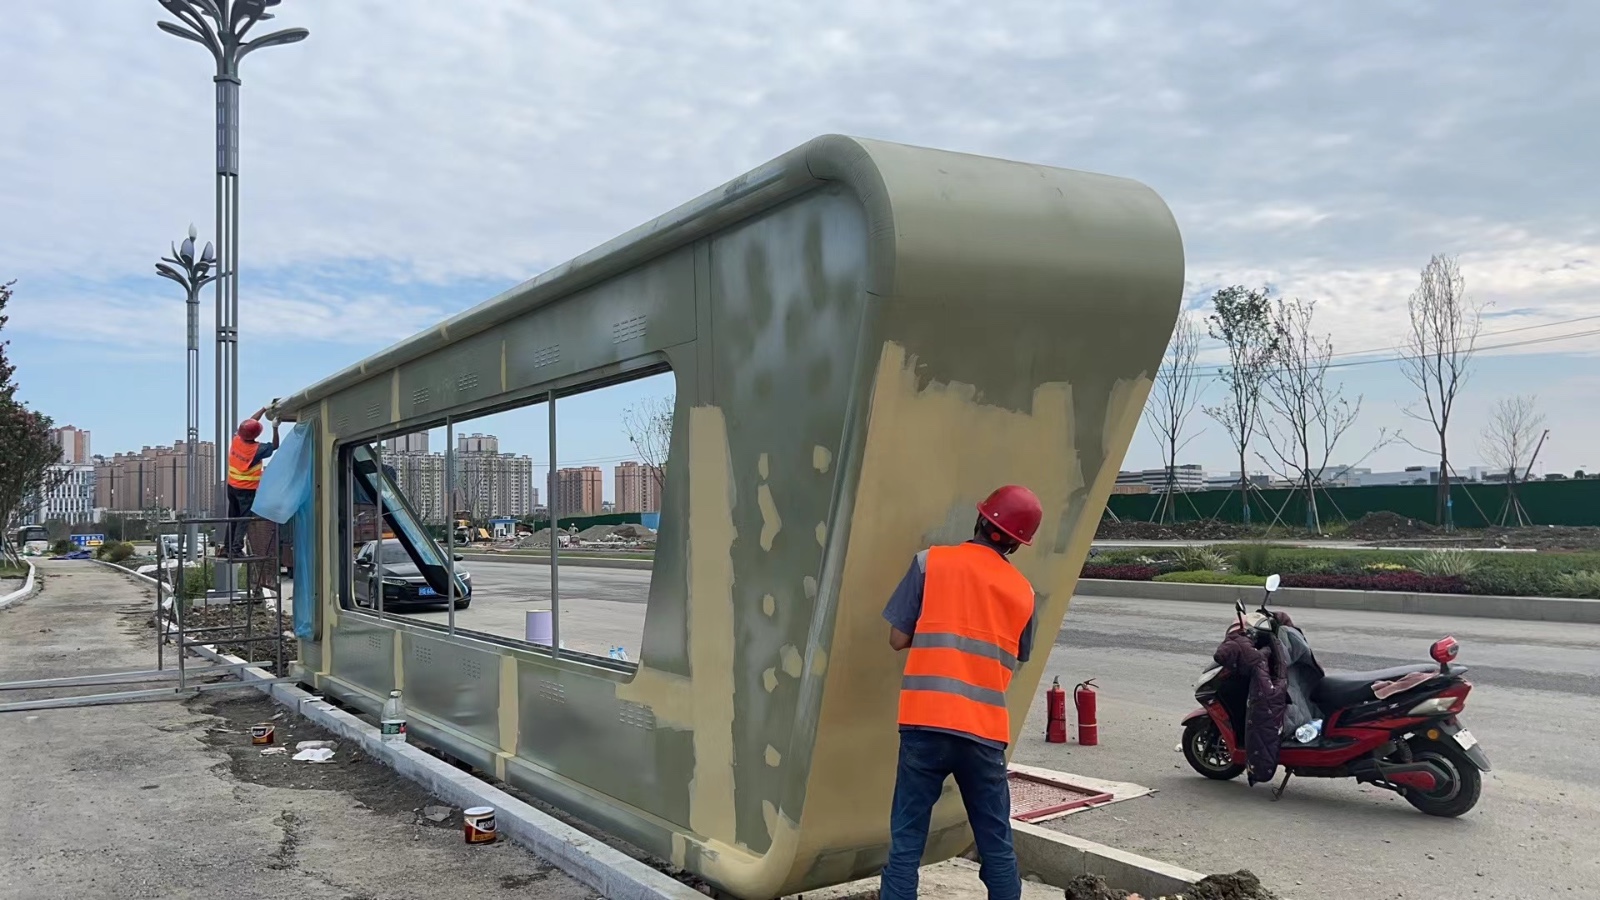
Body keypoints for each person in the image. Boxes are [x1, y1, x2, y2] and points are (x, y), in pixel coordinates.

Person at [879, 484, 1043, 900]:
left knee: (906, 844)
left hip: (925, 723)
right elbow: (1019, 653)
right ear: (1017, 543)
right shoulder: (1023, 593)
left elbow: (898, 638)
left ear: (981, 519)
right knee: (996, 844)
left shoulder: (930, 562)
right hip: (984, 732)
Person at [225, 406, 279, 557]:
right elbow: (275, 445)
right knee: (244, 519)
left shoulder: (236, 440)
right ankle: (236, 549)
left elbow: (250, 422)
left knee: (233, 517)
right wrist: (275, 428)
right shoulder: (256, 450)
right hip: (246, 490)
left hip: (232, 486)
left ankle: (228, 547)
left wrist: (263, 409)